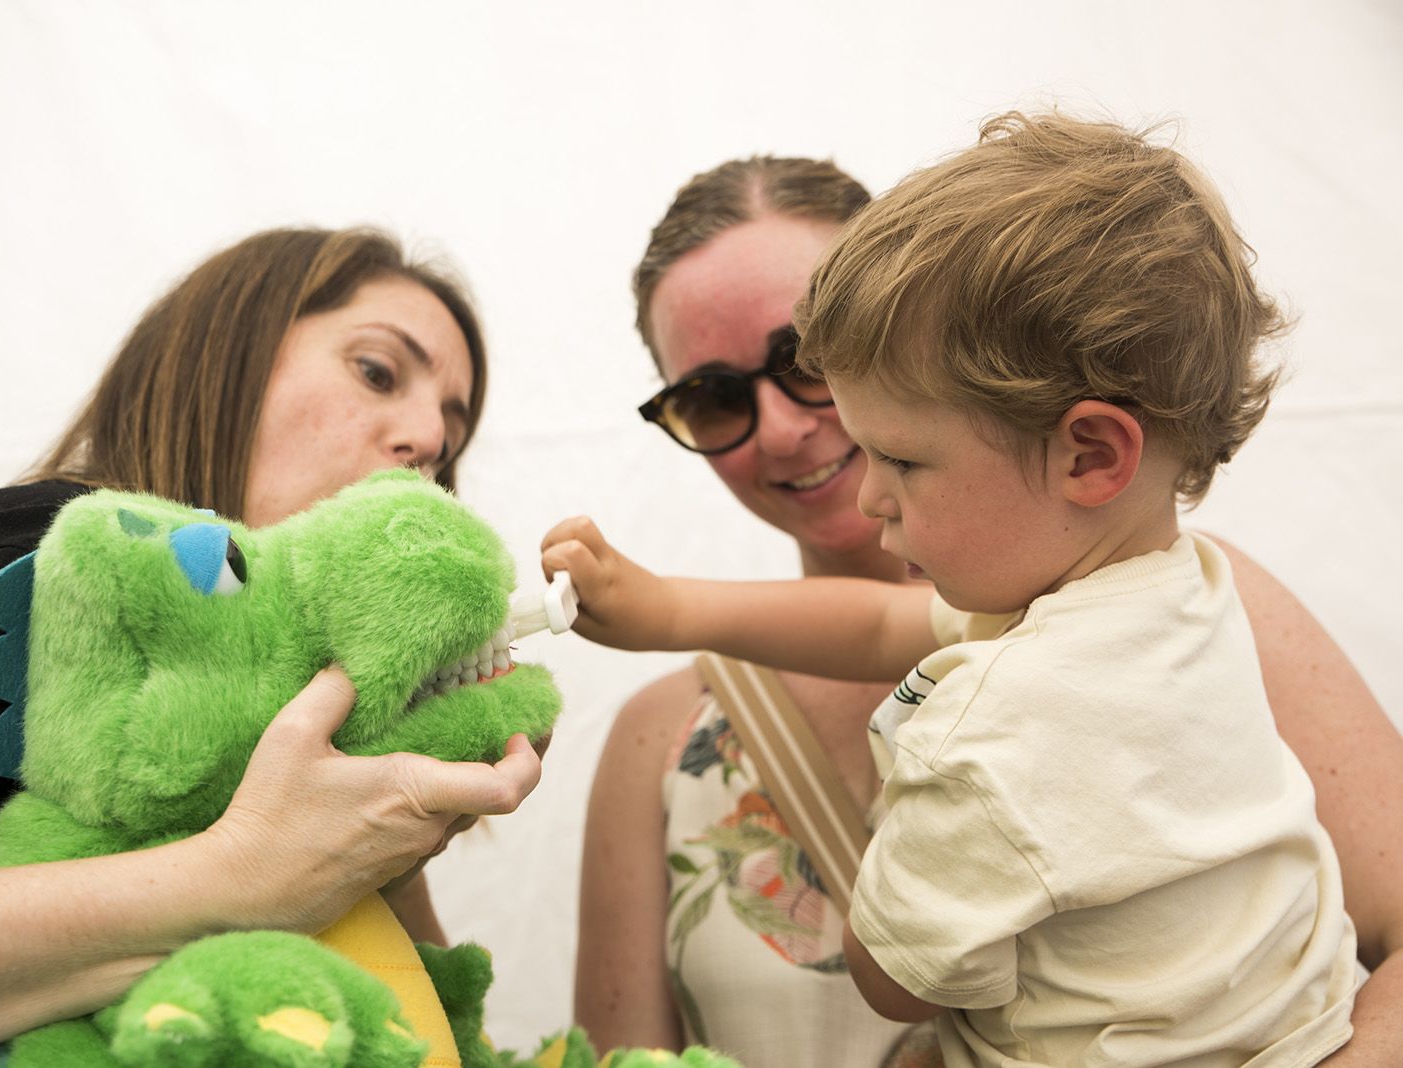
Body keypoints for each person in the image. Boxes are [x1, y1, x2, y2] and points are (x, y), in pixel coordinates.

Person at [553, 111, 1363, 1065]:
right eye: (714, 397)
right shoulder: (1186, 599)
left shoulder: (1007, 706)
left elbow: (895, 977)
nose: (782, 433)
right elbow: (889, 624)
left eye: (802, 363)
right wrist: (672, 611)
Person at [0, 226, 543, 1067]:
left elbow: (429, 1029)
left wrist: (397, 841)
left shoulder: (301, 702)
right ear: (225, 353)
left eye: (452, 432)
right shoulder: (44, 558)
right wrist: (237, 877)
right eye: (376, 372)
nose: (426, 443)